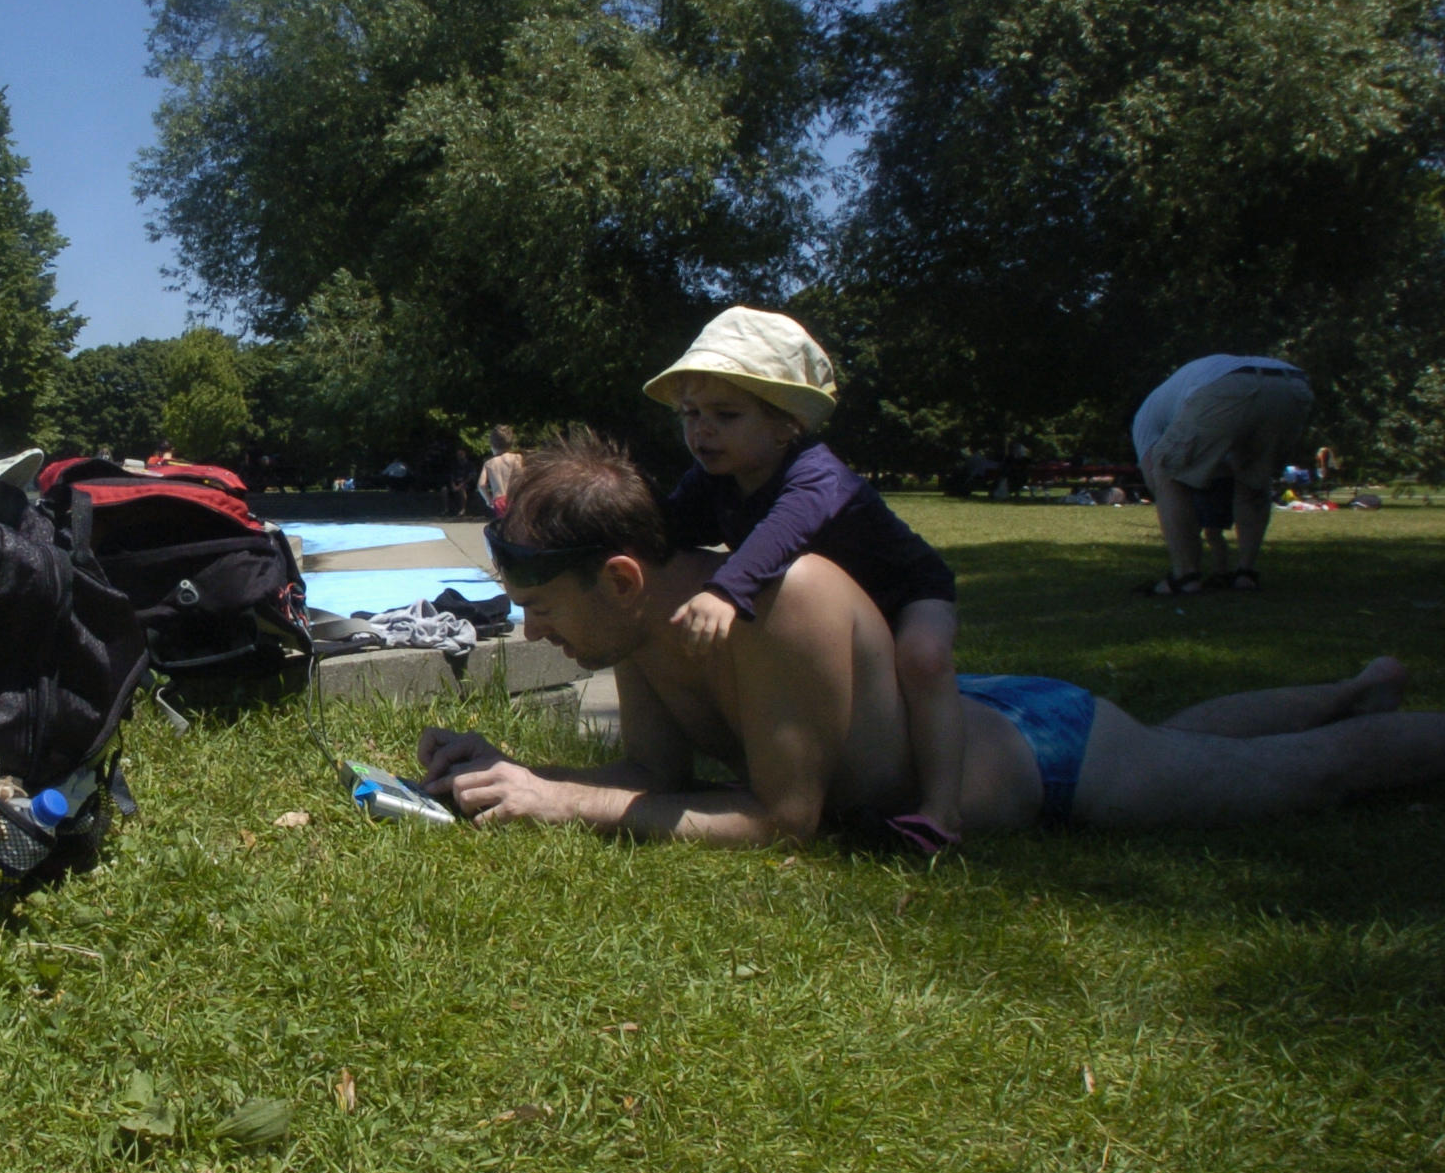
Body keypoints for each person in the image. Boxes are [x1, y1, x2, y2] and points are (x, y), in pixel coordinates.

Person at [418, 432, 1445, 844]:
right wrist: (517, 774)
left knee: (1304, 779)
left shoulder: (771, 601)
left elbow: (783, 821)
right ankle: (1352, 688)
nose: (533, 631)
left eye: (542, 607)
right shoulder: (642, 626)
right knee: (1183, 739)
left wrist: (561, 800)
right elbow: (652, 777)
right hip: (976, 713)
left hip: (1045, 757)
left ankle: (1378, 720)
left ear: (621, 578)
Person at [645, 307, 966, 847]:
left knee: (924, 660)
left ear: (785, 424)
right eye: (690, 412)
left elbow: (781, 534)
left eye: (726, 414)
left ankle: (940, 814)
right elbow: (668, 529)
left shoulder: (817, 476)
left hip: (907, 591)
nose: (702, 429)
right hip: (835, 613)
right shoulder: (714, 478)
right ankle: (777, 775)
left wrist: (725, 591)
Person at [1132, 354, 1313, 595]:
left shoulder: (1144, 420)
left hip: (1228, 384)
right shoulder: (1174, 396)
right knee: (1254, 479)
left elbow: (1156, 477)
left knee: (1168, 475)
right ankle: (1245, 574)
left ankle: (1185, 577)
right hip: (1294, 385)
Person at [477, 426, 524, 515]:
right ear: (511, 443)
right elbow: (520, 478)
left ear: (492, 445)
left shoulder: (489, 463)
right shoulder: (516, 458)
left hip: (498, 500)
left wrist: (489, 501)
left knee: (502, 522)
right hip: (513, 498)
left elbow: (481, 485)